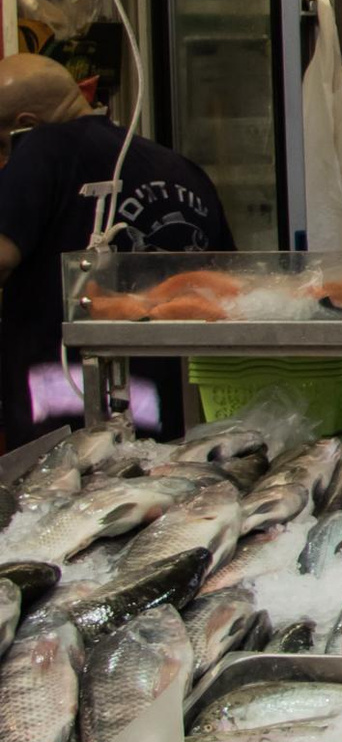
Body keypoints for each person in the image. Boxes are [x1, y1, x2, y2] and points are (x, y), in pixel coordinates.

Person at [0, 54, 231, 448]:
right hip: (176, 415)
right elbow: (227, 283)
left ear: (24, 126)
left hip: (67, 415)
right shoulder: (180, 168)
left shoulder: (41, 146)